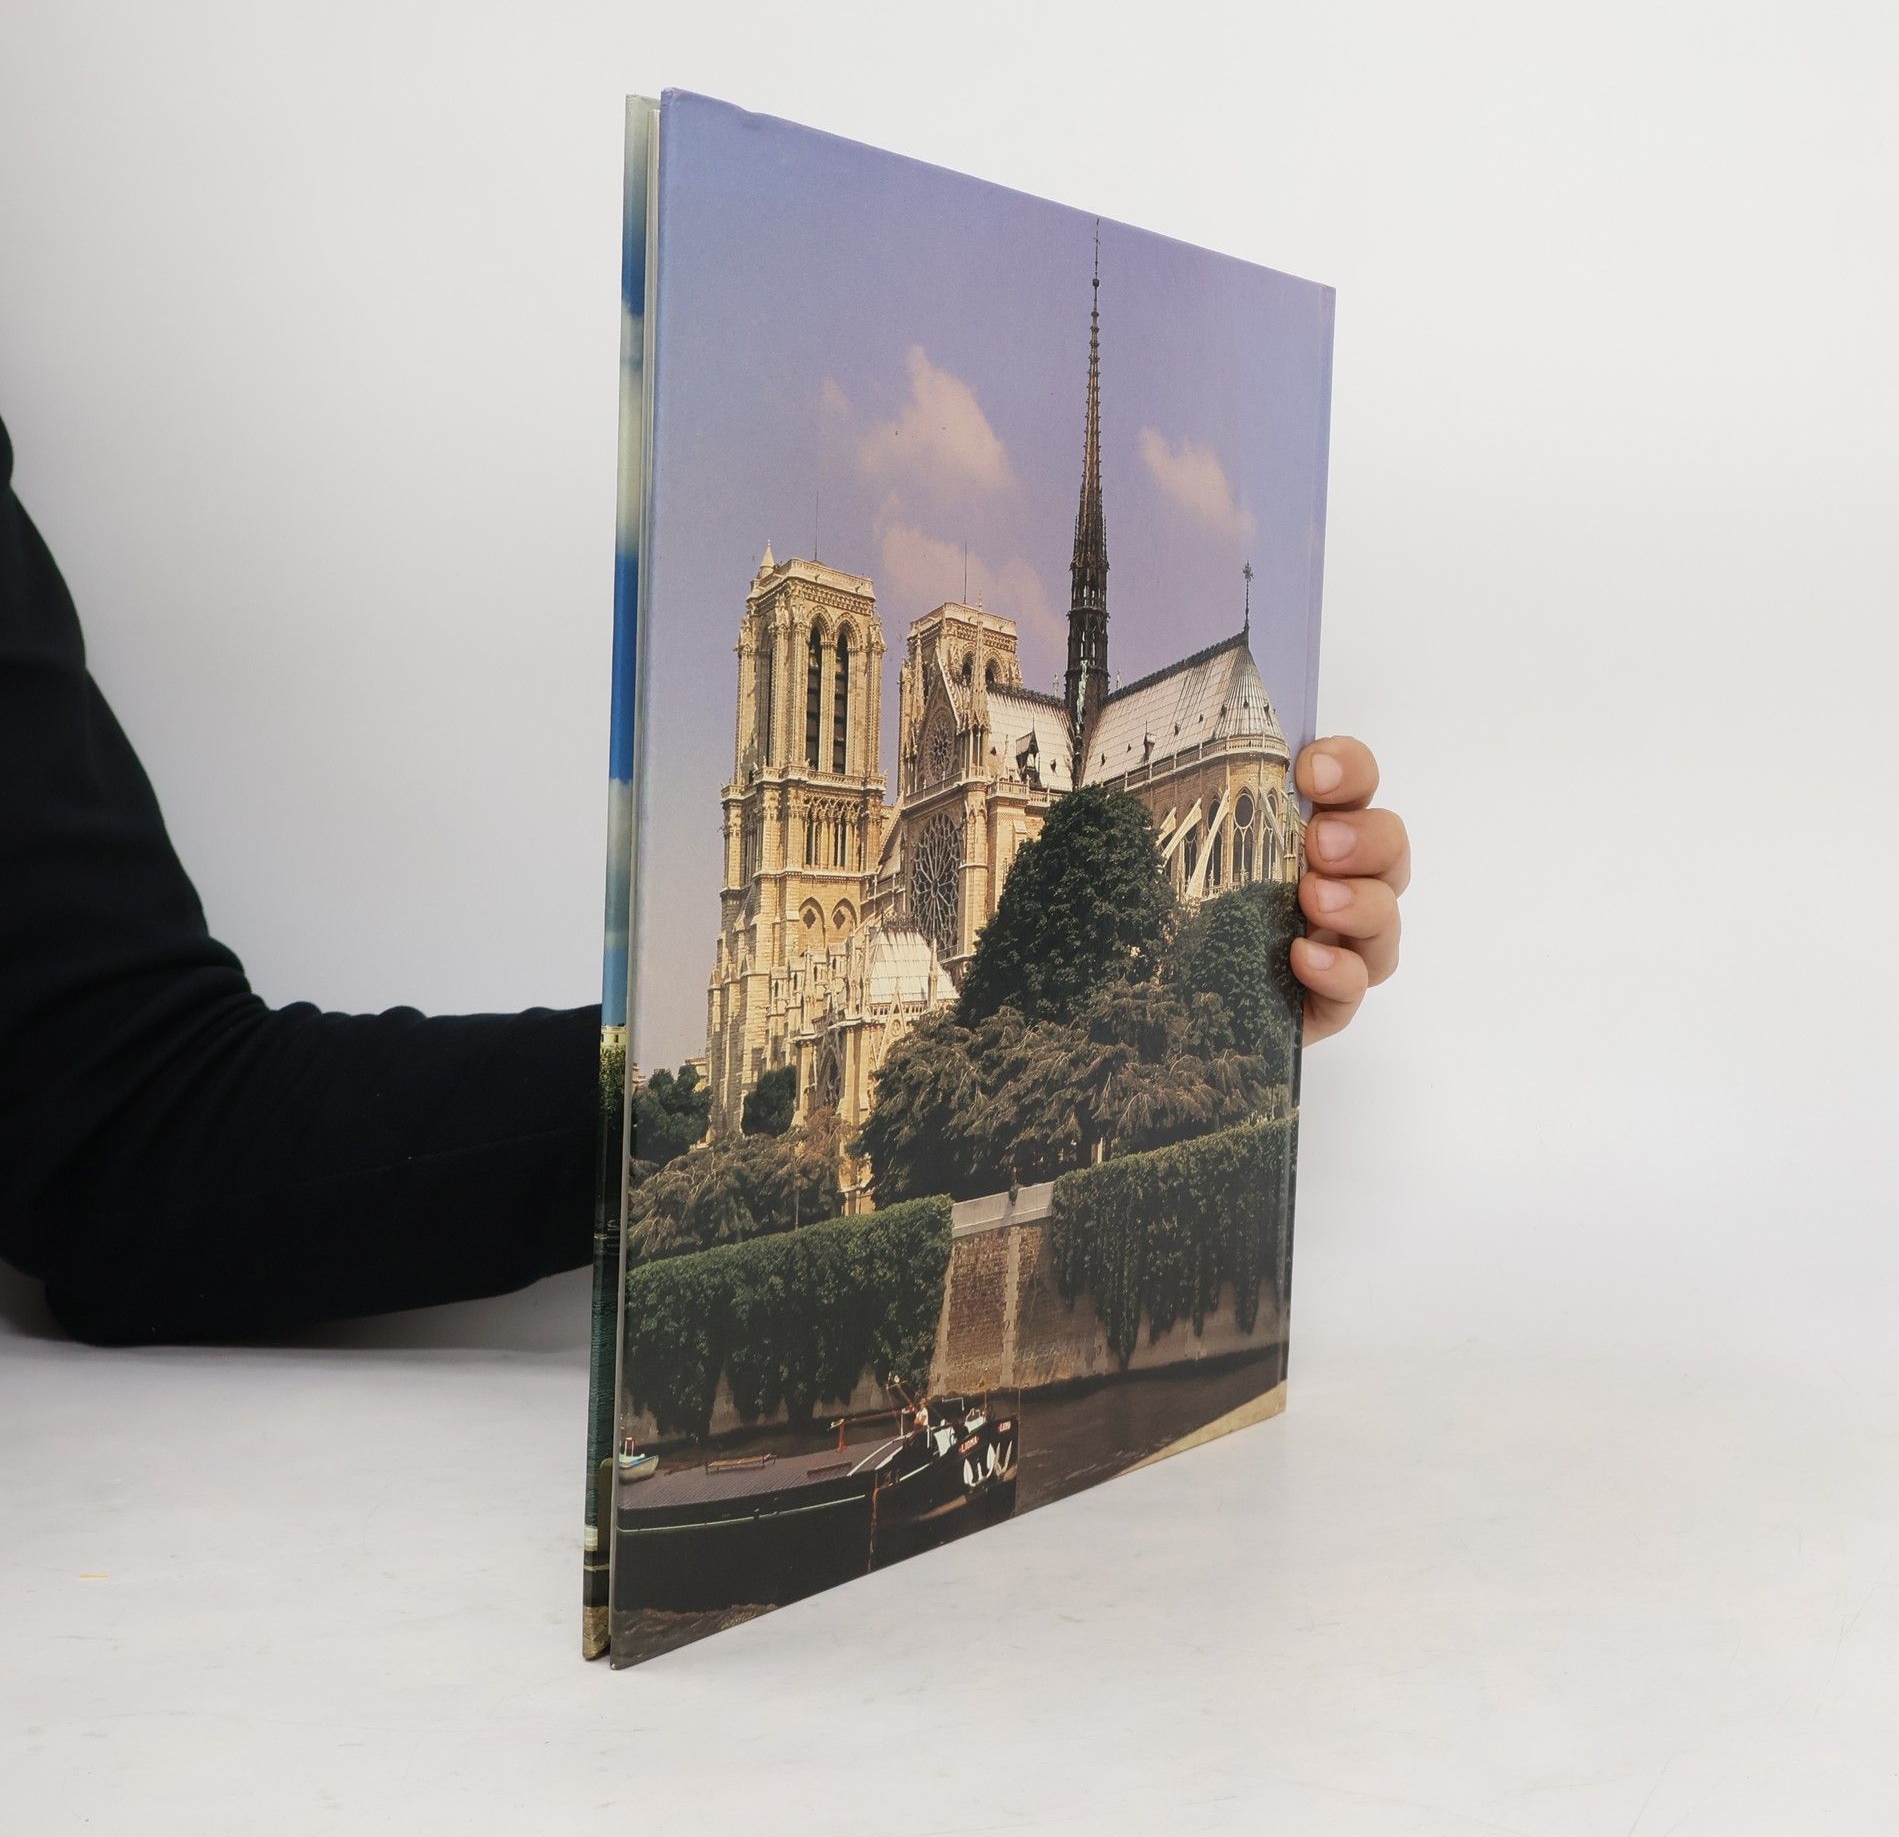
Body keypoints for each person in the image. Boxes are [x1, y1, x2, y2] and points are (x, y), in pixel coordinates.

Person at [0, 415, 1409, 1344]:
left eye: (868, 665)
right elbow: (137, 1148)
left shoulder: (1047, 769)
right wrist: (698, 1109)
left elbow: (135, 1134)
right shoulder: (923, 815)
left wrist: (1242, 979)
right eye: (827, 659)